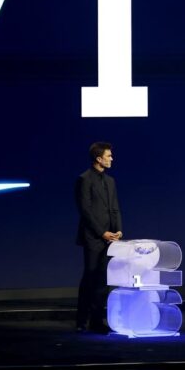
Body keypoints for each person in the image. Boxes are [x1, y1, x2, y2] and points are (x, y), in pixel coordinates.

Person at [75, 141, 122, 333]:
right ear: (99, 158)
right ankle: (81, 320)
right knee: (90, 278)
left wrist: (118, 230)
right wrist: (101, 232)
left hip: (111, 239)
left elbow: (115, 208)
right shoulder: (84, 179)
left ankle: (97, 320)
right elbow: (85, 210)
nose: (112, 159)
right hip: (93, 237)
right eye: (109, 156)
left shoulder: (110, 181)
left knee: (103, 280)